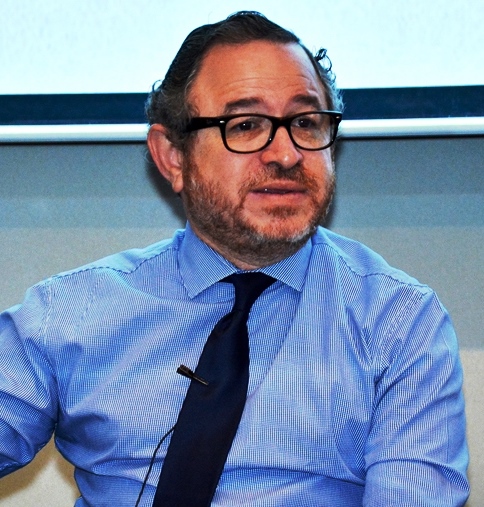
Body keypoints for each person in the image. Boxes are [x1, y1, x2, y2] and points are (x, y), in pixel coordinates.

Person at [0, 11, 469, 507]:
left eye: (306, 123)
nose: (286, 154)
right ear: (172, 156)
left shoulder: (400, 324)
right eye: (245, 126)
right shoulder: (71, 314)